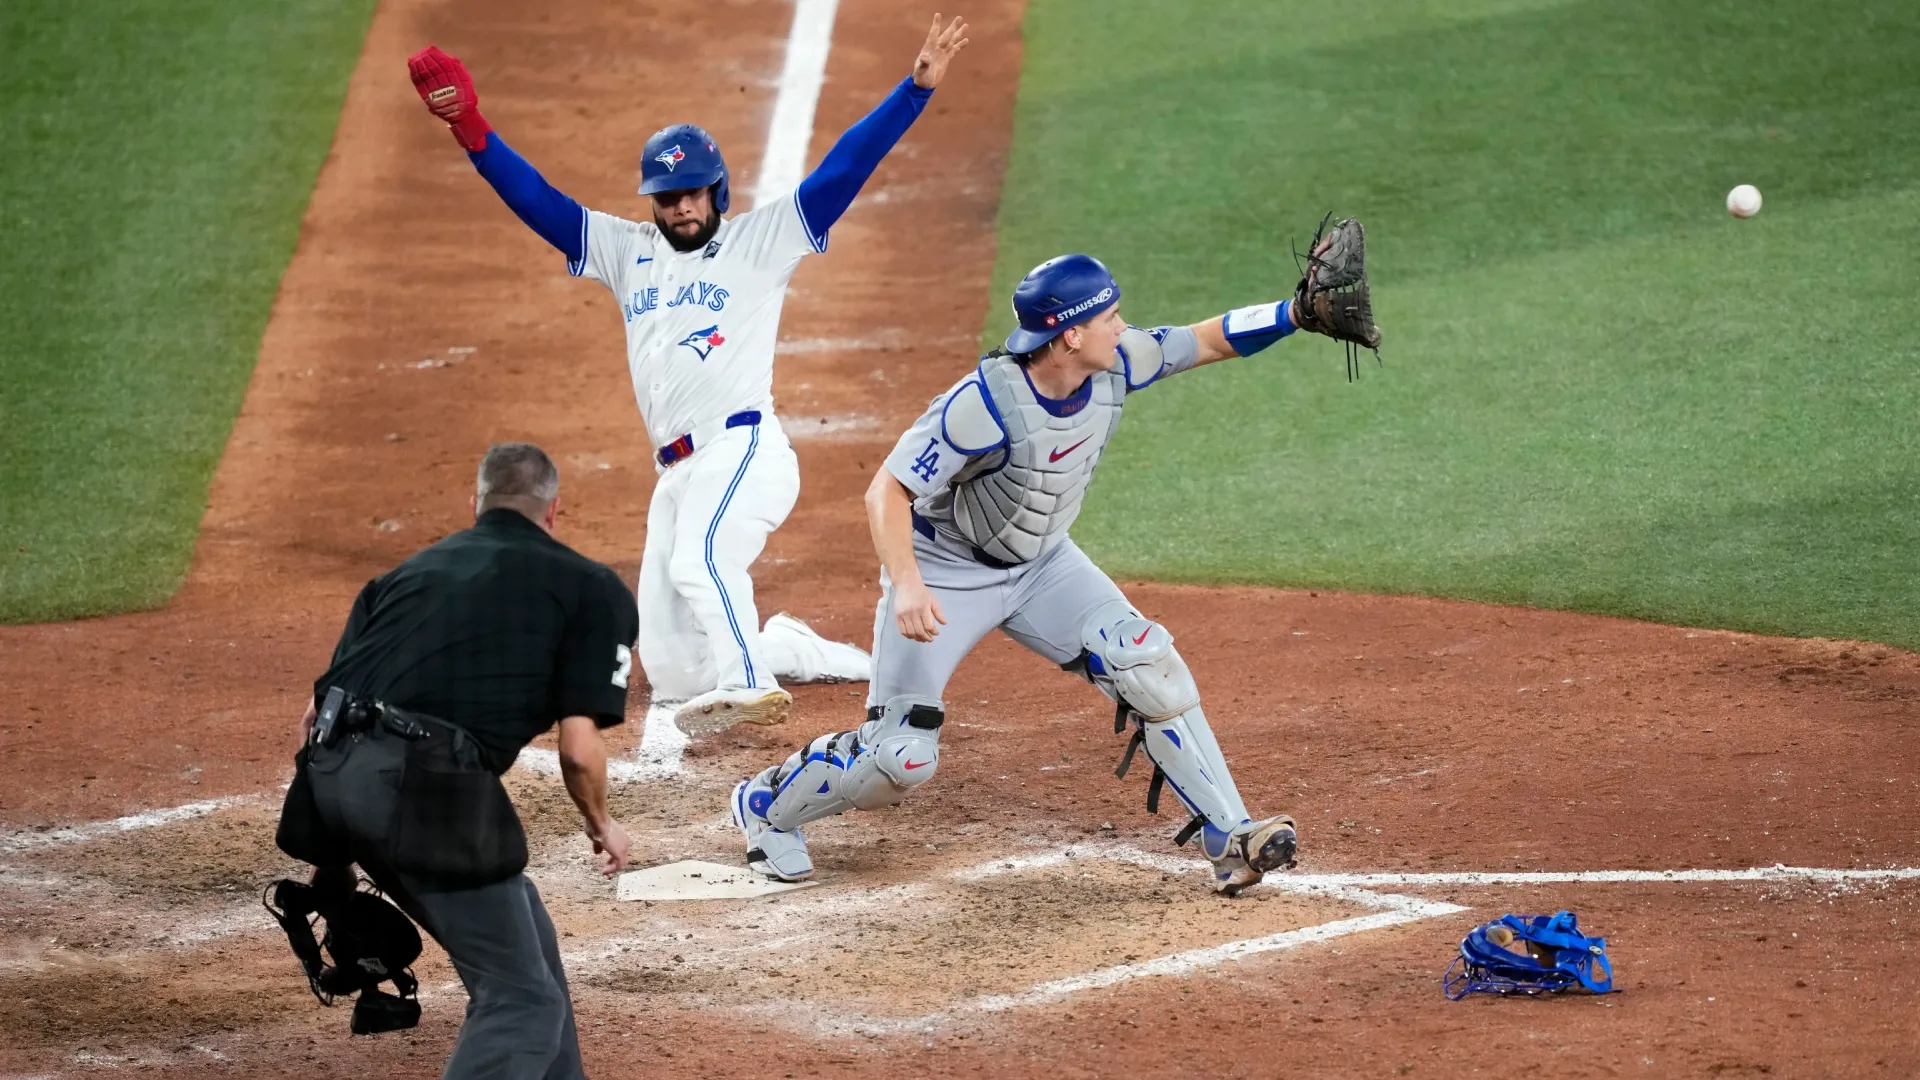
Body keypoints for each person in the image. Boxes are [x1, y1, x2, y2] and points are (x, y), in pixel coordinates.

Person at [728, 230, 1381, 895]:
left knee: (1146, 665)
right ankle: (765, 806)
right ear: (1070, 335)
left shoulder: (1118, 362)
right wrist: (908, 583)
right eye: (1109, 316)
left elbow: (1207, 339)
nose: (1122, 327)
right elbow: (887, 490)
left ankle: (1230, 837)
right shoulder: (981, 406)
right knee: (899, 758)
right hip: (948, 571)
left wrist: (1294, 314)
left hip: (1044, 566)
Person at [405, 14, 972, 737]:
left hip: (743, 450)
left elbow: (843, 170)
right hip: (676, 472)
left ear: (717, 192)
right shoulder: (626, 249)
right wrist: (471, 128)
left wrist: (913, 91)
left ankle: (750, 680)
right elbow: (539, 201)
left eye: (693, 193)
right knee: (672, 668)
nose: (680, 207)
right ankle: (788, 647)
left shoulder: (760, 242)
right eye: (668, 196)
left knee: (703, 561)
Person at [277, 443, 638, 1079]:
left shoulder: (400, 578)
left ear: (476, 504)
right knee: (522, 1003)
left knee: (528, 941)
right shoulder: (591, 587)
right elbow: (580, 751)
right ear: (553, 511)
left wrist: (333, 868)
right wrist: (601, 823)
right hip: (424, 791)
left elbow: (318, 718)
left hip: (330, 779)